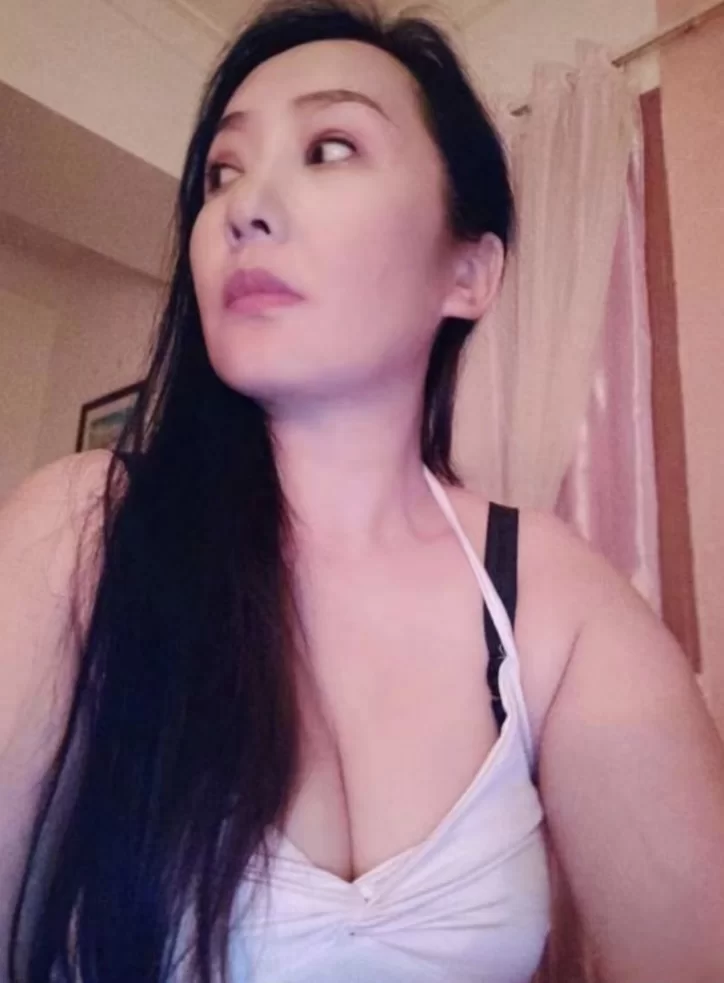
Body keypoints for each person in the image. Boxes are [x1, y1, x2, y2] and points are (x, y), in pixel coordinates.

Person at [2, 0, 724, 980]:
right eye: (221, 172)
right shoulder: (79, 533)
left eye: (330, 148)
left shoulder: (552, 600)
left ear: (468, 271)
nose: (243, 207)